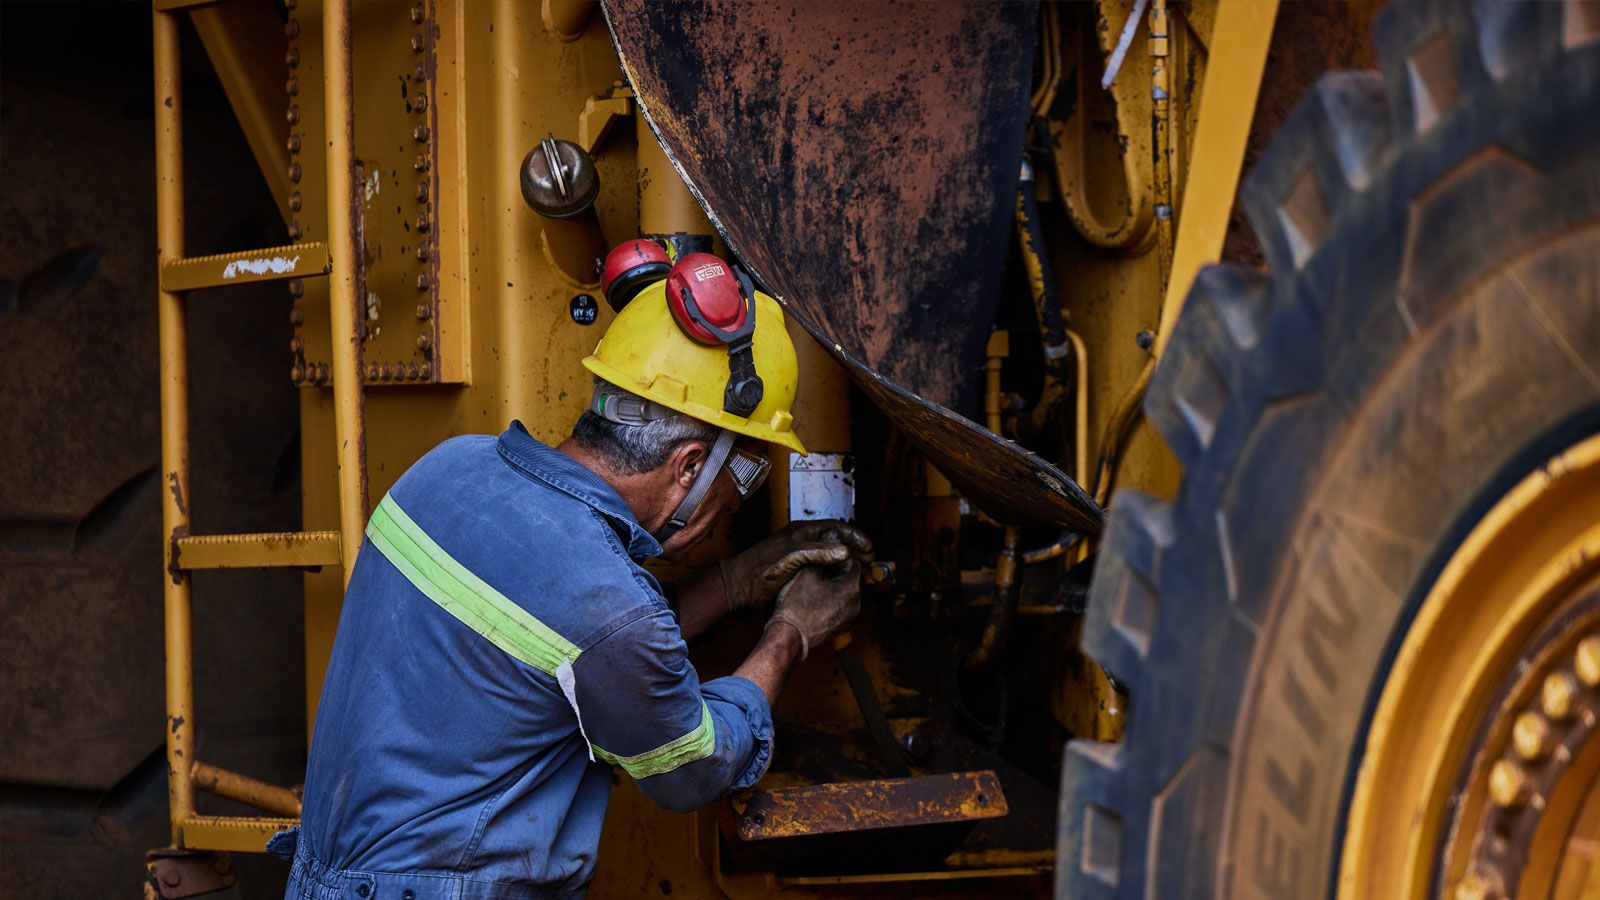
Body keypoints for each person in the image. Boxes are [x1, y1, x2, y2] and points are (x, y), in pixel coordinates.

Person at [269, 250, 871, 900]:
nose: (735, 499)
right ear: (690, 466)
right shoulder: (607, 606)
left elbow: (570, 646)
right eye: (746, 474)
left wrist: (734, 582)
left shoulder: (443, 470)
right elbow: (692, 768)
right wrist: (790, 631)